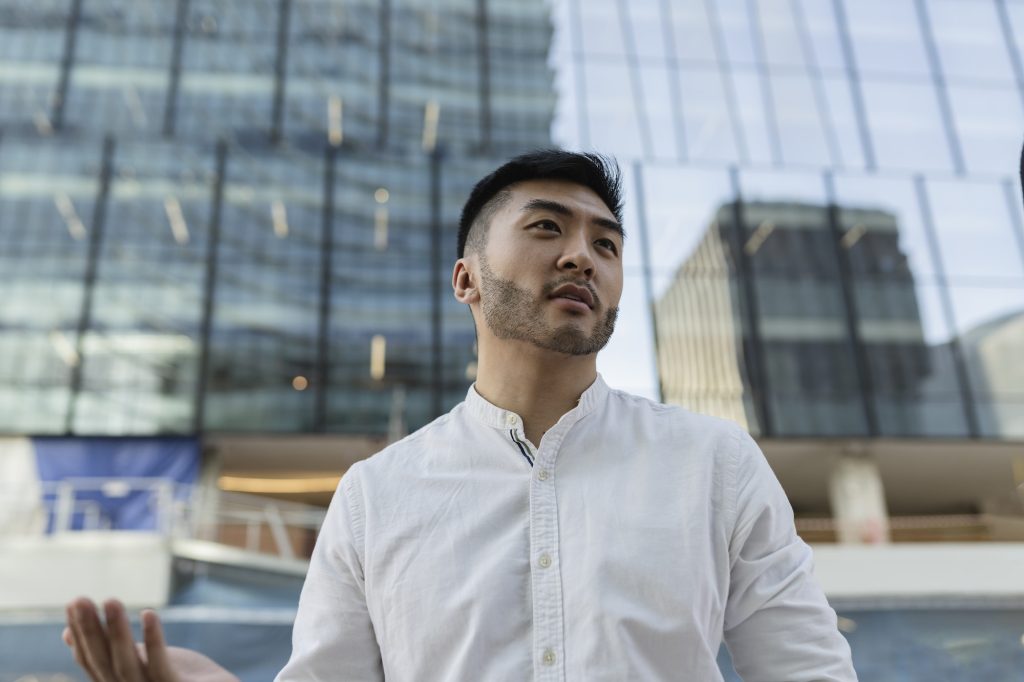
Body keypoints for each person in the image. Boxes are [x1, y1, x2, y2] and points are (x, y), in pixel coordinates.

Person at [63, 150, 857, 681]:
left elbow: (810, 671)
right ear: (466, 279)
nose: (583, 254)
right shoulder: (375, 497)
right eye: (547, 227)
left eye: (607, 244)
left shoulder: (713, 463)